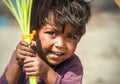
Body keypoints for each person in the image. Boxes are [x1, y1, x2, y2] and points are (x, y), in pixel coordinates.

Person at [0, 0, 91, 84]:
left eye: (71, 37)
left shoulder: (72, 64)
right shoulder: (23, 54)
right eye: (51, 33)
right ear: (34, 33)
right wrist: (17, 63)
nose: (60, 44)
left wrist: (46, 72)